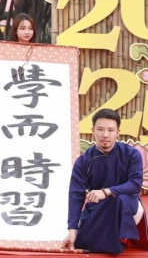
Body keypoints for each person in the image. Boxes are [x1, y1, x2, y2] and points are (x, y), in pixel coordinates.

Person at [62, 108, 148, 254]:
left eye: (110, 130)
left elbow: (135, 185)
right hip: (98, 208)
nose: (105, 135)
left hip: (128, 206)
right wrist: (72, 229)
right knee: (79, 241)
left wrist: (107, 192)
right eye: (100, 129)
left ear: (118, 132)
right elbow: (75, 195)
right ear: (93, 130)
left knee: (118, 200)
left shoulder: (131, 154)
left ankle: (116, 243)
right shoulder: (84, 161)